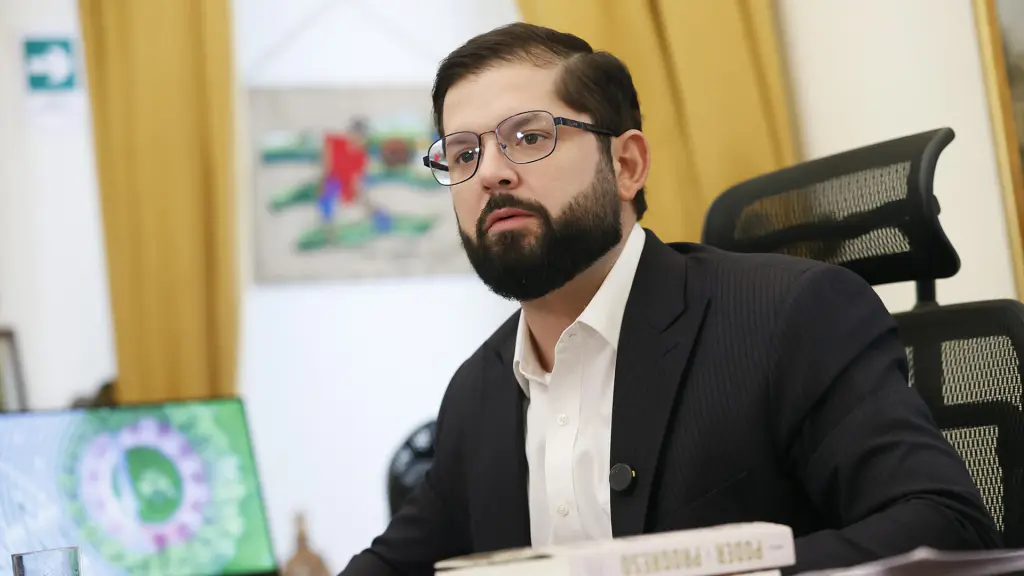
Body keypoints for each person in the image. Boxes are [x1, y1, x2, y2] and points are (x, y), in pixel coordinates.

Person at [341, 22, 1000, 575]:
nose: (490, 172)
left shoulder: (791, 318)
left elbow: (942, 528)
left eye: (529, 136)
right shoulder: (477, 395)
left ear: (626, 165)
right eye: (462, 153)